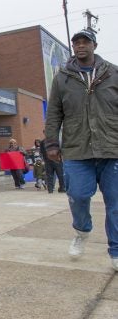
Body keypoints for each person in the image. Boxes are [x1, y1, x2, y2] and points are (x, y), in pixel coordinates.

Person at [45, 29, 118, 271]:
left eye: (85, 42)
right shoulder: (62, 77)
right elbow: (54, 112)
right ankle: (82, 231)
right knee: (77, 195)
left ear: (94, 45)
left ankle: (116, 250)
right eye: (76, 42)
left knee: (115, 203)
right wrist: (52, 143)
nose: (80, 46)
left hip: (112, 148)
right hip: (77, 149)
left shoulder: (112, 73)